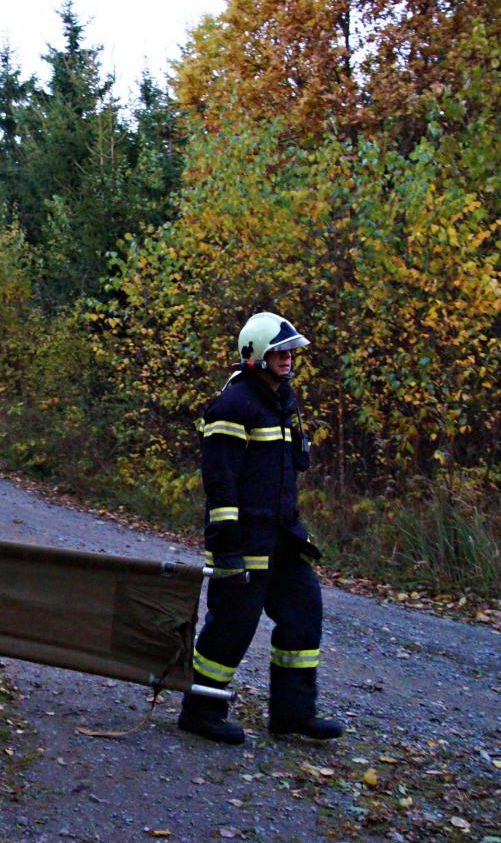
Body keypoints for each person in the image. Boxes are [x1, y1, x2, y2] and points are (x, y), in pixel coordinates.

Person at [177, 312, 343, 744]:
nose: (288, 358)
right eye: (279, 351)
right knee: (231, 627)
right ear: (255, 355)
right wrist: (227, 549)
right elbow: (220, 483)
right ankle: (201, 711)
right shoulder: (233, 405)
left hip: (284, 537)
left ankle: (293, 715)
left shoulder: (281, 400)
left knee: (303, 614)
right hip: (244, 542)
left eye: (290, 351)